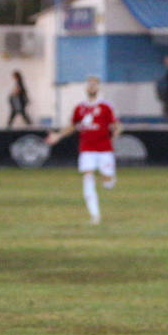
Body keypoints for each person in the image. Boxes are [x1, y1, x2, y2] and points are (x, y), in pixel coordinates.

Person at [45, 76, 122, 225]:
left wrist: (115, 133)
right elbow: (72, 126)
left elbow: (116, 125)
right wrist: (57, 136)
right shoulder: (80, 108)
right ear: (86, 88)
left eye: (94, 85)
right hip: (87, 148)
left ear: (98, 88)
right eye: (89, 85)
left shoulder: (106, 107)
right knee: (87, 177)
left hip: (104, 148)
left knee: (108, 182)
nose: (91, 87)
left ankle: (108, 178)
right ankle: (95, 216)